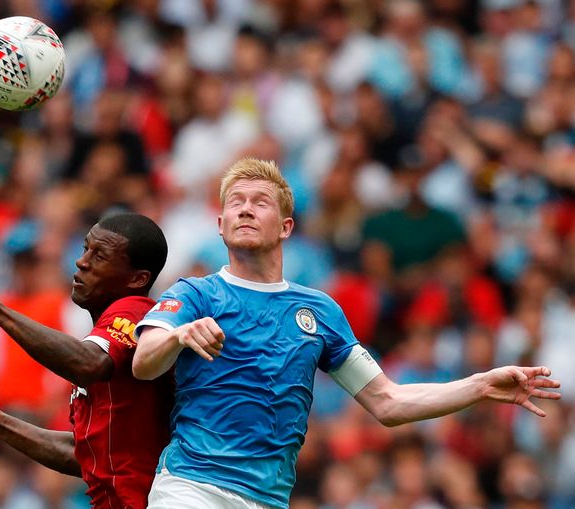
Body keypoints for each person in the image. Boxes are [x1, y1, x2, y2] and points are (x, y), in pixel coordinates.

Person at [131, 158, 562, 509]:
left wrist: (480, 385)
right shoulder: (195, 293)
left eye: (260, 202)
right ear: (220, 223)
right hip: (191, 487)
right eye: (235, 202)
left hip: (268, 499)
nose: (245, 209)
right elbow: (143, 361)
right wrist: (178, 336)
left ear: (285, 227)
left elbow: (388, 401)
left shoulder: (319, 312)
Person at [0, 212, 173, 509]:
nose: (81, 262)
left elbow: (89, 364)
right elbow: (84, 454)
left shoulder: (136, 312)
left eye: (99, 256)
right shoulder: (103, 338)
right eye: (85, 249)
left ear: (138, 279)